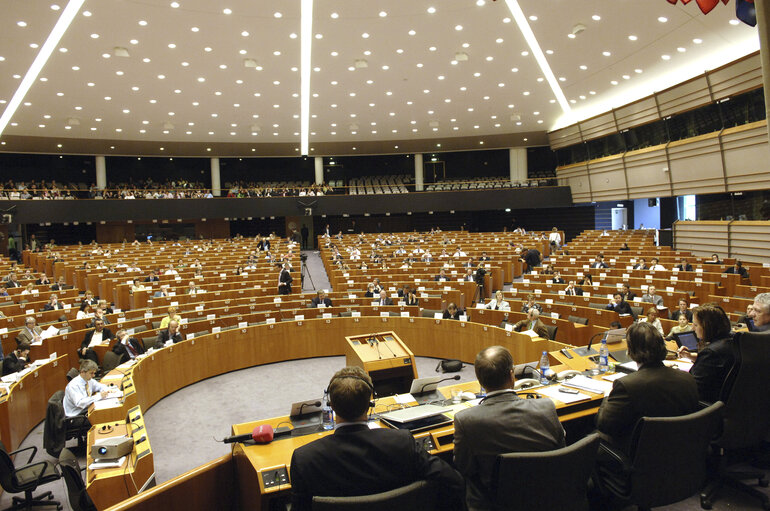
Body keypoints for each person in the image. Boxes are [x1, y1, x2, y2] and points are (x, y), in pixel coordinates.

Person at [289, 366, 464, 511]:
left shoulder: (305, 458)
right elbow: (453, 480)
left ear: (331, 405)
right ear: (370, 404)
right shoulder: (402, 443)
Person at [454, 346, 565, 511]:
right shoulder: (546, 407)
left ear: (479, 380)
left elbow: (464, 468)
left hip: (496, 504)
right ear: (512, 375)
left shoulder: (466, 420)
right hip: (546, 498)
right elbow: (562, 450)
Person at [596, 322, 699, 457]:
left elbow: (604, 424)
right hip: (683, 455)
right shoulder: (688, 378)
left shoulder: (627, 385)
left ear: (630, 350)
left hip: (642, 459)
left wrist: (607, 396)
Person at [677, 304, 736, 404]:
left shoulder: (711, 352)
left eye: (696, 325)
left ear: (707, 326)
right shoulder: (732, 340)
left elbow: (692, 388)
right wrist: (690, 356)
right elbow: (715, 364)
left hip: (706, 407)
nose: (692, 328)